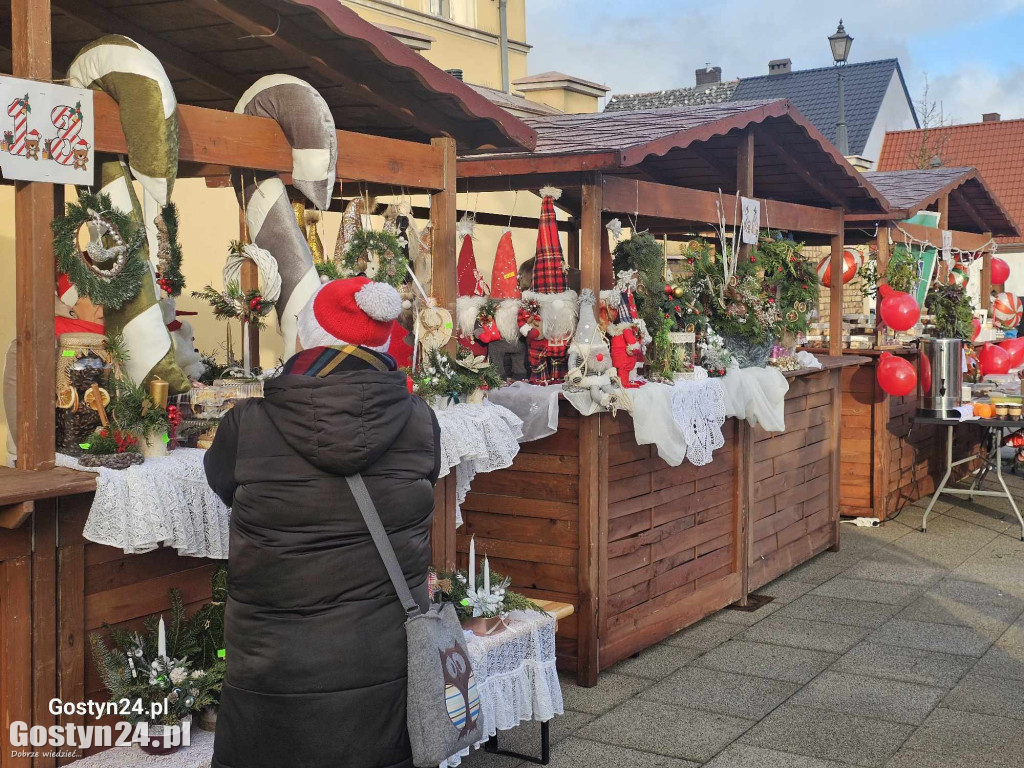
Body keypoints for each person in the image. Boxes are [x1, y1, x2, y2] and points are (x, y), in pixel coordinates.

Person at [204, 276, 441, 768]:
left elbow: (223, 486)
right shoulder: (420, 420)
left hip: (275, 659)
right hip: (382, 651)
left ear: (306, 337)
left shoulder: (248, 424)